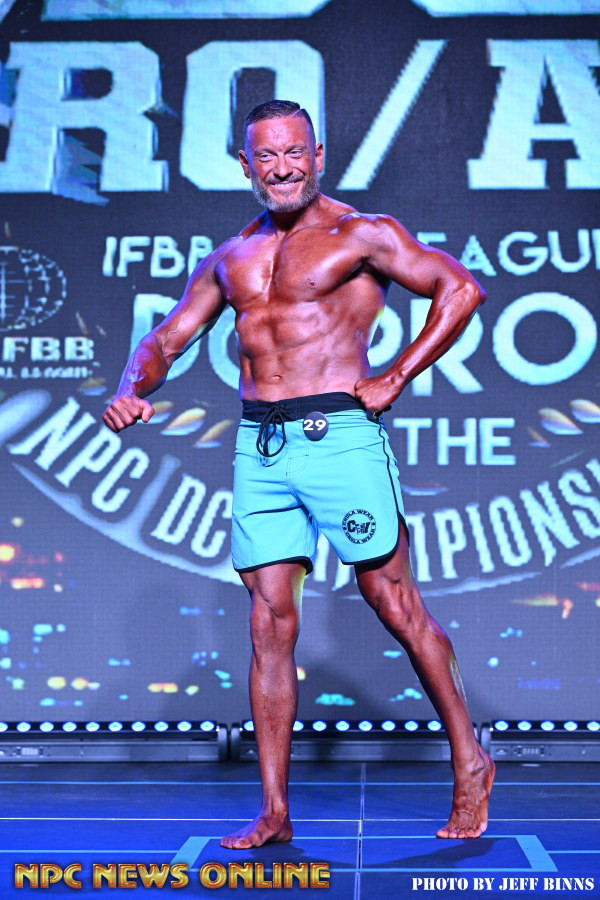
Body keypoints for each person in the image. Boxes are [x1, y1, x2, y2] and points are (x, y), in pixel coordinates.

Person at [103, 99, 495, 849]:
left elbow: (461, 289)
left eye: (294, 153)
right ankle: (275, 811)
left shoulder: (362, 234)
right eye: (266, 156)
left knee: (395, 604)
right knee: (267, 624)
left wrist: (397, 375)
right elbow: (167, 338)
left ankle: (470, 760)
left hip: (339, 436)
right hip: (261, 446)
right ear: (245, 165)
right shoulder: (231, 256)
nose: (282, 168)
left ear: (317, 155)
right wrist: (131, 388)